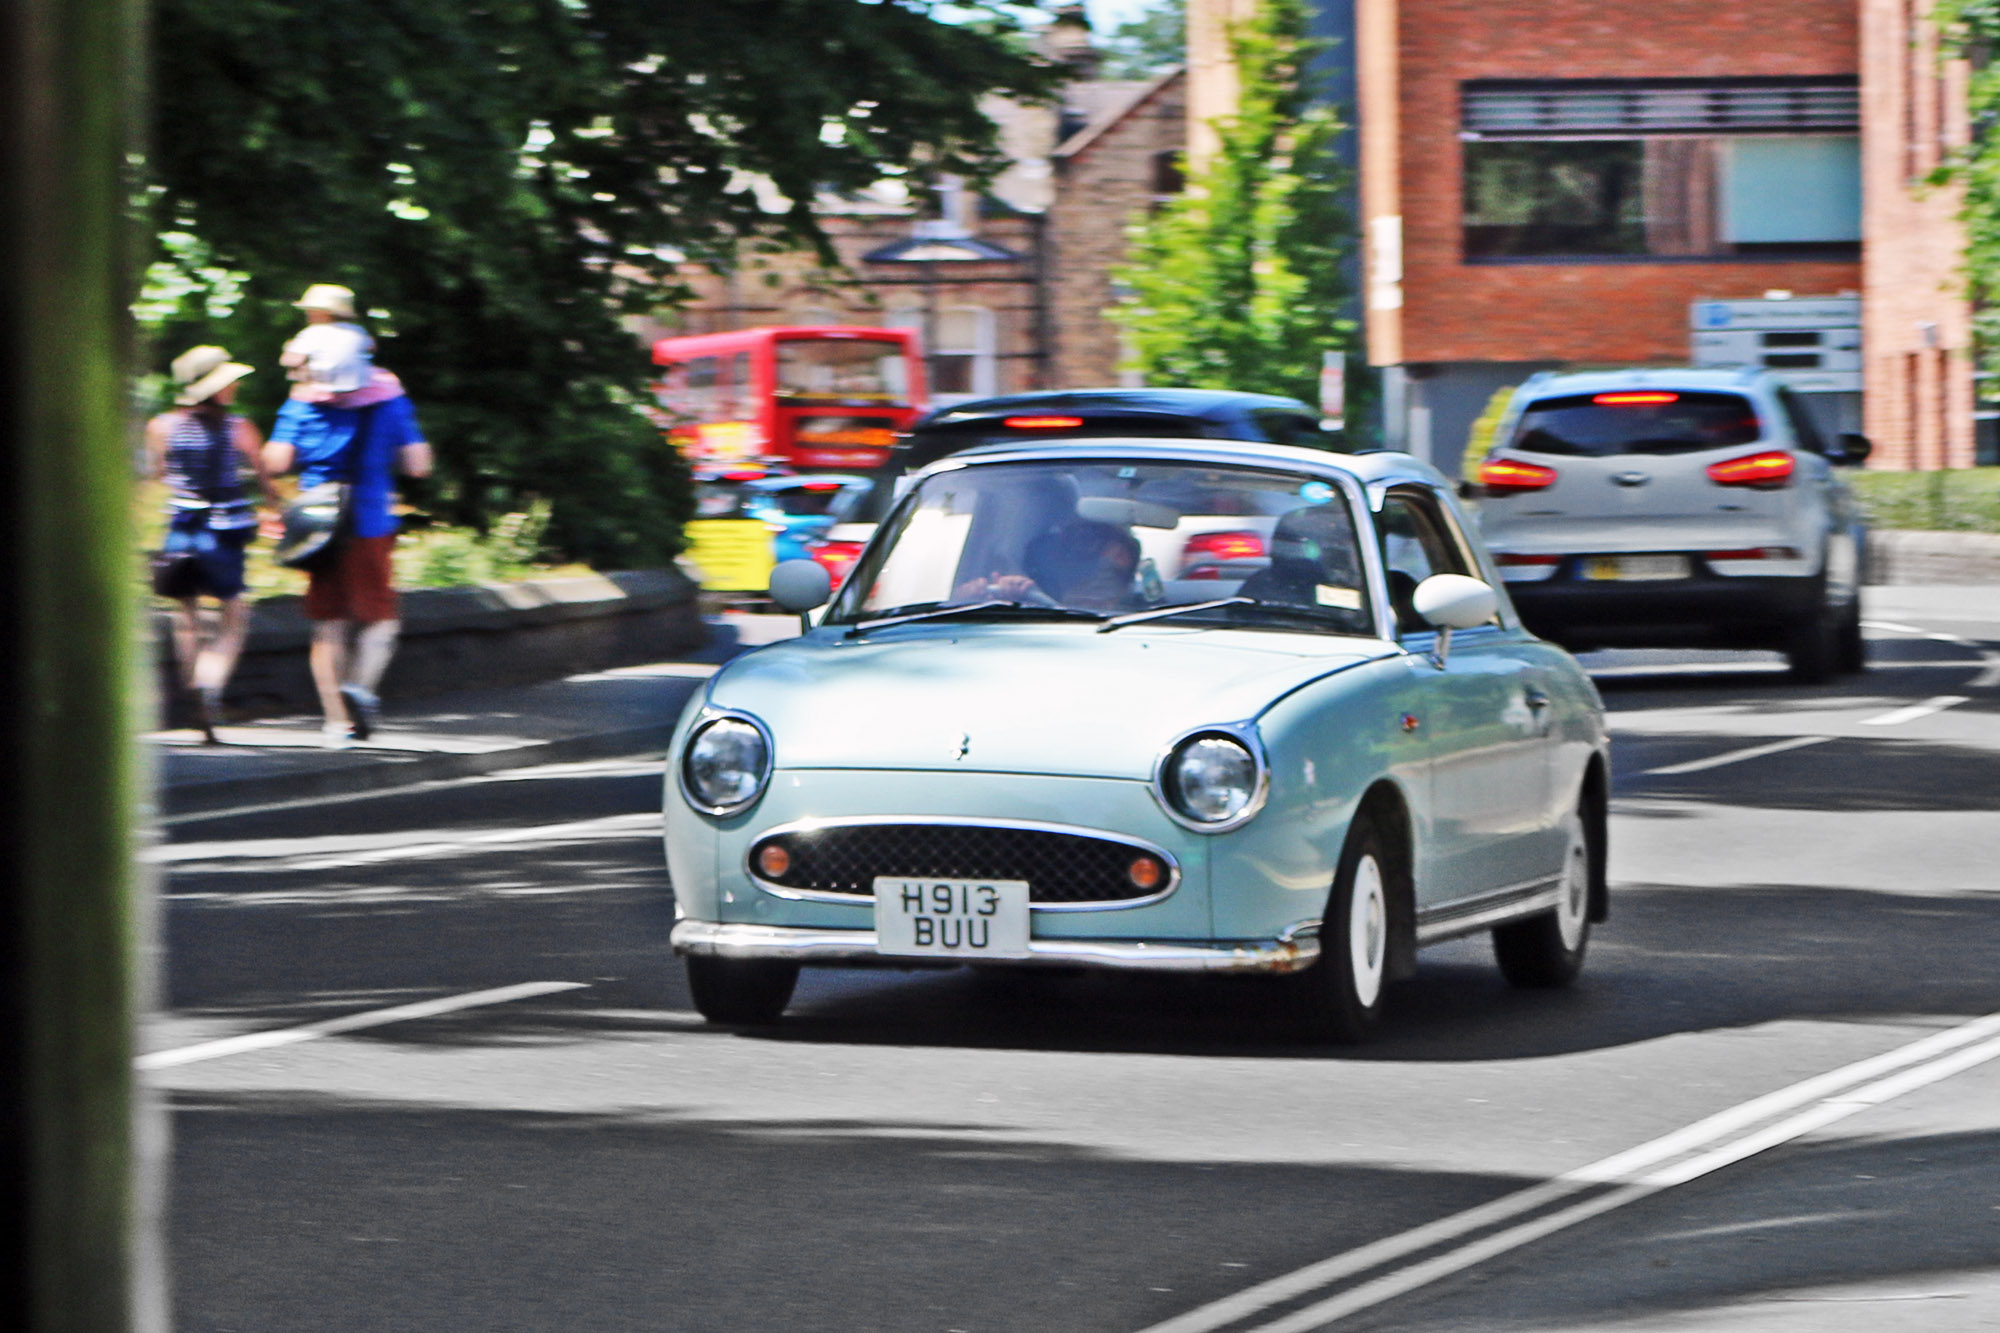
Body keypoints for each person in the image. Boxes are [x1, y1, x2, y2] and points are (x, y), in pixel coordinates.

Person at [263, 342, 432, 747]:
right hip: (370, 522)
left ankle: (335, 724)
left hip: (320, 527)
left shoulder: (302, 405)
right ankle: (360, 687)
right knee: (381, 621)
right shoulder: (390, 403)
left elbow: (275, 461)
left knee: (329, 625)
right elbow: (418, 465)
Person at [146, 346, 272, 742]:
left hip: (180, 529)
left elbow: (159, 472)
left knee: (187, 617)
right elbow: (266, 480)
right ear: (216, 389)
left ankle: (194, 692)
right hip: (223, 533)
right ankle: (209, 685)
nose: (234, 386)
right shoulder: (239, 427)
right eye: (229, 381)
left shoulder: (161, 426)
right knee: (235, 614)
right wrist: (275, 505)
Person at [280, 284, 376, 400]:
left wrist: (289, 348)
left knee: (293, 406)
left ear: (324, 313)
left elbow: (290, 361)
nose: (307, 314)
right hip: (357, 391)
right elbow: (372, 348)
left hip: (321, 391)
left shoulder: (313, 332)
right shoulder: (359, 331)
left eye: (310, 310)